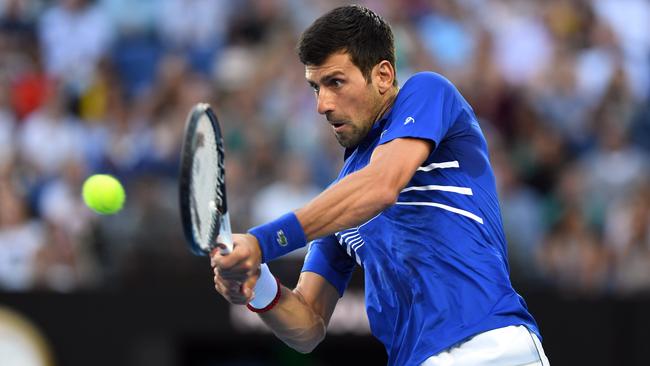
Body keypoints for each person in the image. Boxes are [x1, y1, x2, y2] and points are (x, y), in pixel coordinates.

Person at [211, 5, 550, 366]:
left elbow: (382, 185)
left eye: (335, 82)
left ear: (384, 75)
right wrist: (257, 284)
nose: (322, 104)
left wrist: (262, 242)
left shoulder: (426, 92)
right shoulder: (341, 201)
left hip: (488, 349)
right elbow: (308, 327)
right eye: (315, 87)